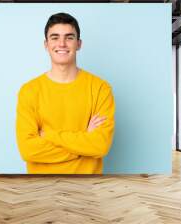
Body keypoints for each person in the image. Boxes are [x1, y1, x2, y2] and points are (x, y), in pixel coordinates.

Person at [16, 12, 115, 174]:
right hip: (40, 188)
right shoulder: (29, 91)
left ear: (79, 44)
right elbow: (28, 150)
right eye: (55, 37)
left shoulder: (100, 88)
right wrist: (84, 140)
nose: (62, 43)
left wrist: (49, 135)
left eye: (69, 37)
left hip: (87, 188)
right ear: (46, 45)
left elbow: (100, 145)